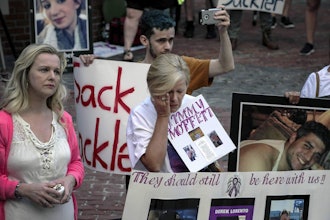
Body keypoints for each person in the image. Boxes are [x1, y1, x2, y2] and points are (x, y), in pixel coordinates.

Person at [0, 44, 84, 220]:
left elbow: (75, 163)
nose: (52, 77)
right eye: (44, 70)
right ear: (26, 74)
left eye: (57, 71)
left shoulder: (63, 119)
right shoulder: (4, 122)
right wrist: (21, 189)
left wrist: (70, 180)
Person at [80, 8, 234, 95]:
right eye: (161, 41)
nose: (168, 46)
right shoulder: (131, 73)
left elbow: (225, 66)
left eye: (171, 40)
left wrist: (223, 33)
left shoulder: (184, 65)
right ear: (144, 41)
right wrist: (89, 66)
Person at [126, 53, 220, 172]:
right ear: (154, 90)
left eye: (180, 91)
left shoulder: (193, 104)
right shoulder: (140, 114)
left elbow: (212, 152)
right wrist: (163, 116)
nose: (175, 98)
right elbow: (154, 165)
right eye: (169, 92)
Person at [238, 121, 330, 171]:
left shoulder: (292, 160)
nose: (309, 158)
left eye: (316, 156)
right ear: (293, 138)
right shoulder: (257, 158)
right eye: (307, 146)